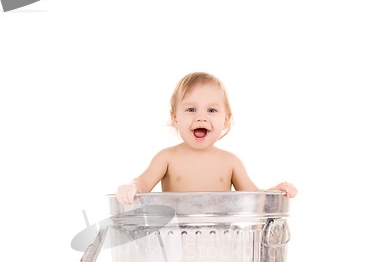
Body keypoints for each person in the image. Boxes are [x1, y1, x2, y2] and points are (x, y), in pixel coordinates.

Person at [116, 72, 297, 204]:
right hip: (176, 242)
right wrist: (131, 187)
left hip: (219, 244)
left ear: (225, 120)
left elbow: (255, 200)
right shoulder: (167, 158)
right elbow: (143, 182)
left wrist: (274, 193)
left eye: (211, 110)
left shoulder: (230, 162)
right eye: (191, 110)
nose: (201, 117)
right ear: (175, 118)